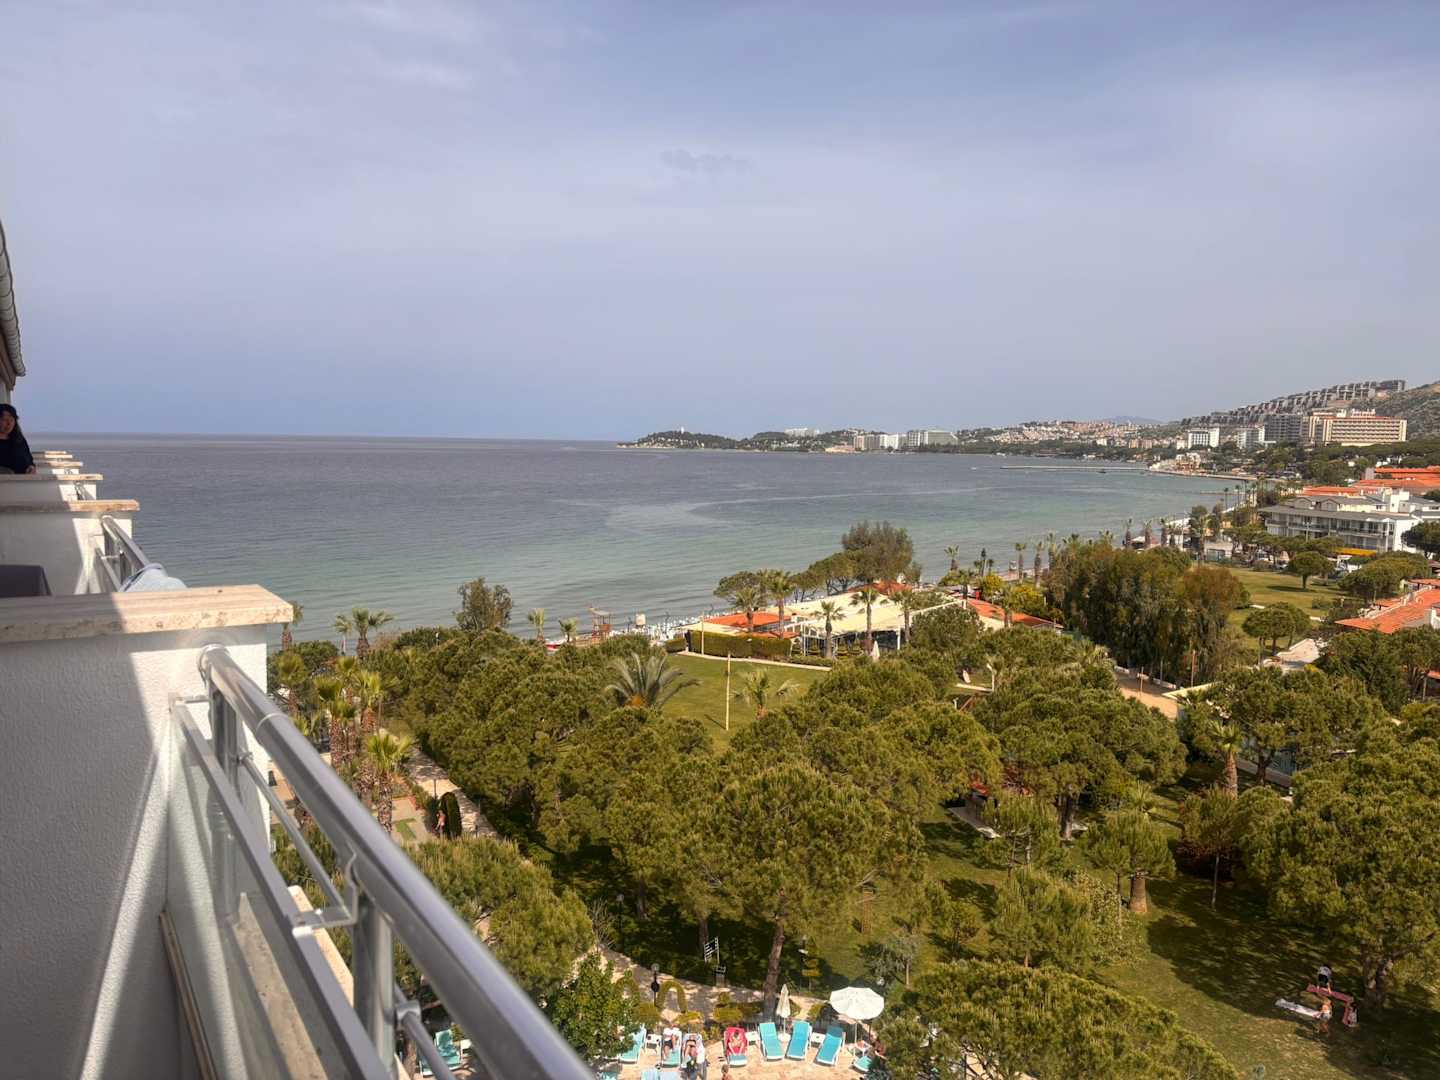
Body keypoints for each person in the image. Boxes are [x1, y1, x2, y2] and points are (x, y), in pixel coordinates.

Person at [0, 403, 35, 475]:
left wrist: (31, 467)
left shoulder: (19, 439)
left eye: (12, 420)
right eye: (4, 419)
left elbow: (29, 459)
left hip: (22, 481)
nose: (9, 423)